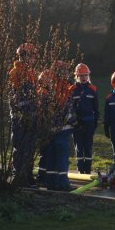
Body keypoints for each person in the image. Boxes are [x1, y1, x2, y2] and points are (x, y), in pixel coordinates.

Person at [37, 62, 76, 191]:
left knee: (51, 157)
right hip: (62, 130)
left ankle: (51, 183)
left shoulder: (46, 91)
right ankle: (63, 184)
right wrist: (75, 122)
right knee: (62, 158)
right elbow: (67, 111)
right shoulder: (63, 89)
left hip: (49, 130)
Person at [8, 42, 39, 187]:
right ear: (25, 56)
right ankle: (19, 177)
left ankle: (27, 175)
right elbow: (16, 98)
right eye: (33, 56)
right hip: (21, 117)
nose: (35, 59)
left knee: (29, 147)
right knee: (20, 147)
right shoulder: (16, 73)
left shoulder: (30, 73)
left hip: (30, 116)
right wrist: (25, 112)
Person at [69, 63, 99, 174]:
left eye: (86, 75)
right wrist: (73, 121)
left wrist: (95, 121)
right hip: (77, 122)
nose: (84, 77)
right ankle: (80, 169)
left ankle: (88, 169)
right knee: (79, 145)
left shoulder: (93, 89)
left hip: (89, 122)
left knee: (88, 145)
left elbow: (96, 108)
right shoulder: (72, 89)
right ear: (77, 76)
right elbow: (70, 107)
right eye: (81, 75)